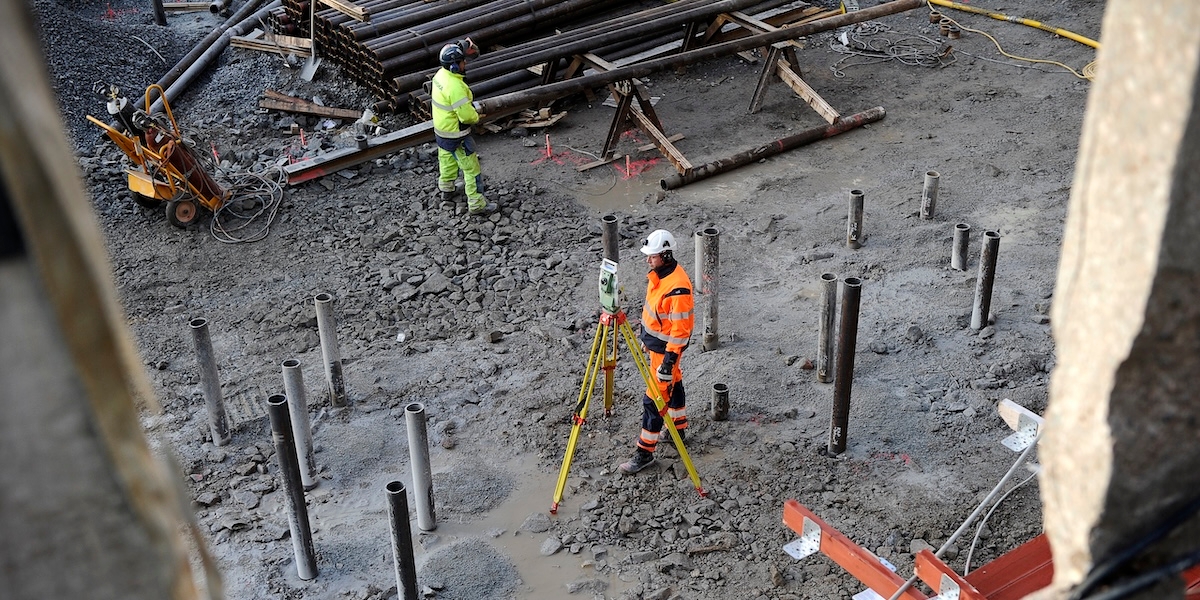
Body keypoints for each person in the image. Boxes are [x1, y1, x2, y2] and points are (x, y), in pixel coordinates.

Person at [620, 229, 694, 475]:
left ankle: (645, 453)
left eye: (652, 256)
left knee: (653, 401)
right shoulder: (661, 277)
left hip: (666, 353)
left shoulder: (677, 288)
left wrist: (668, 362)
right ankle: (677, 430)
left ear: (666, 255)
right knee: (675, 384)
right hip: (659, 348)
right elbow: (657, 316)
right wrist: (648, 341)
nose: (647, 260)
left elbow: (680, 331)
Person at [430, 38, 497, 216]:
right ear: (454, 66)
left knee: (446, 159)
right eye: (462, 62)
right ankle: (477, 204)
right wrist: (477, 116)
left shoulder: (440, 76)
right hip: (456, 134)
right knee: (471, 168)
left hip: (441, 130)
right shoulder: (455, 87)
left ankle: (447, 189)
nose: (464, 64)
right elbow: (466, 116)